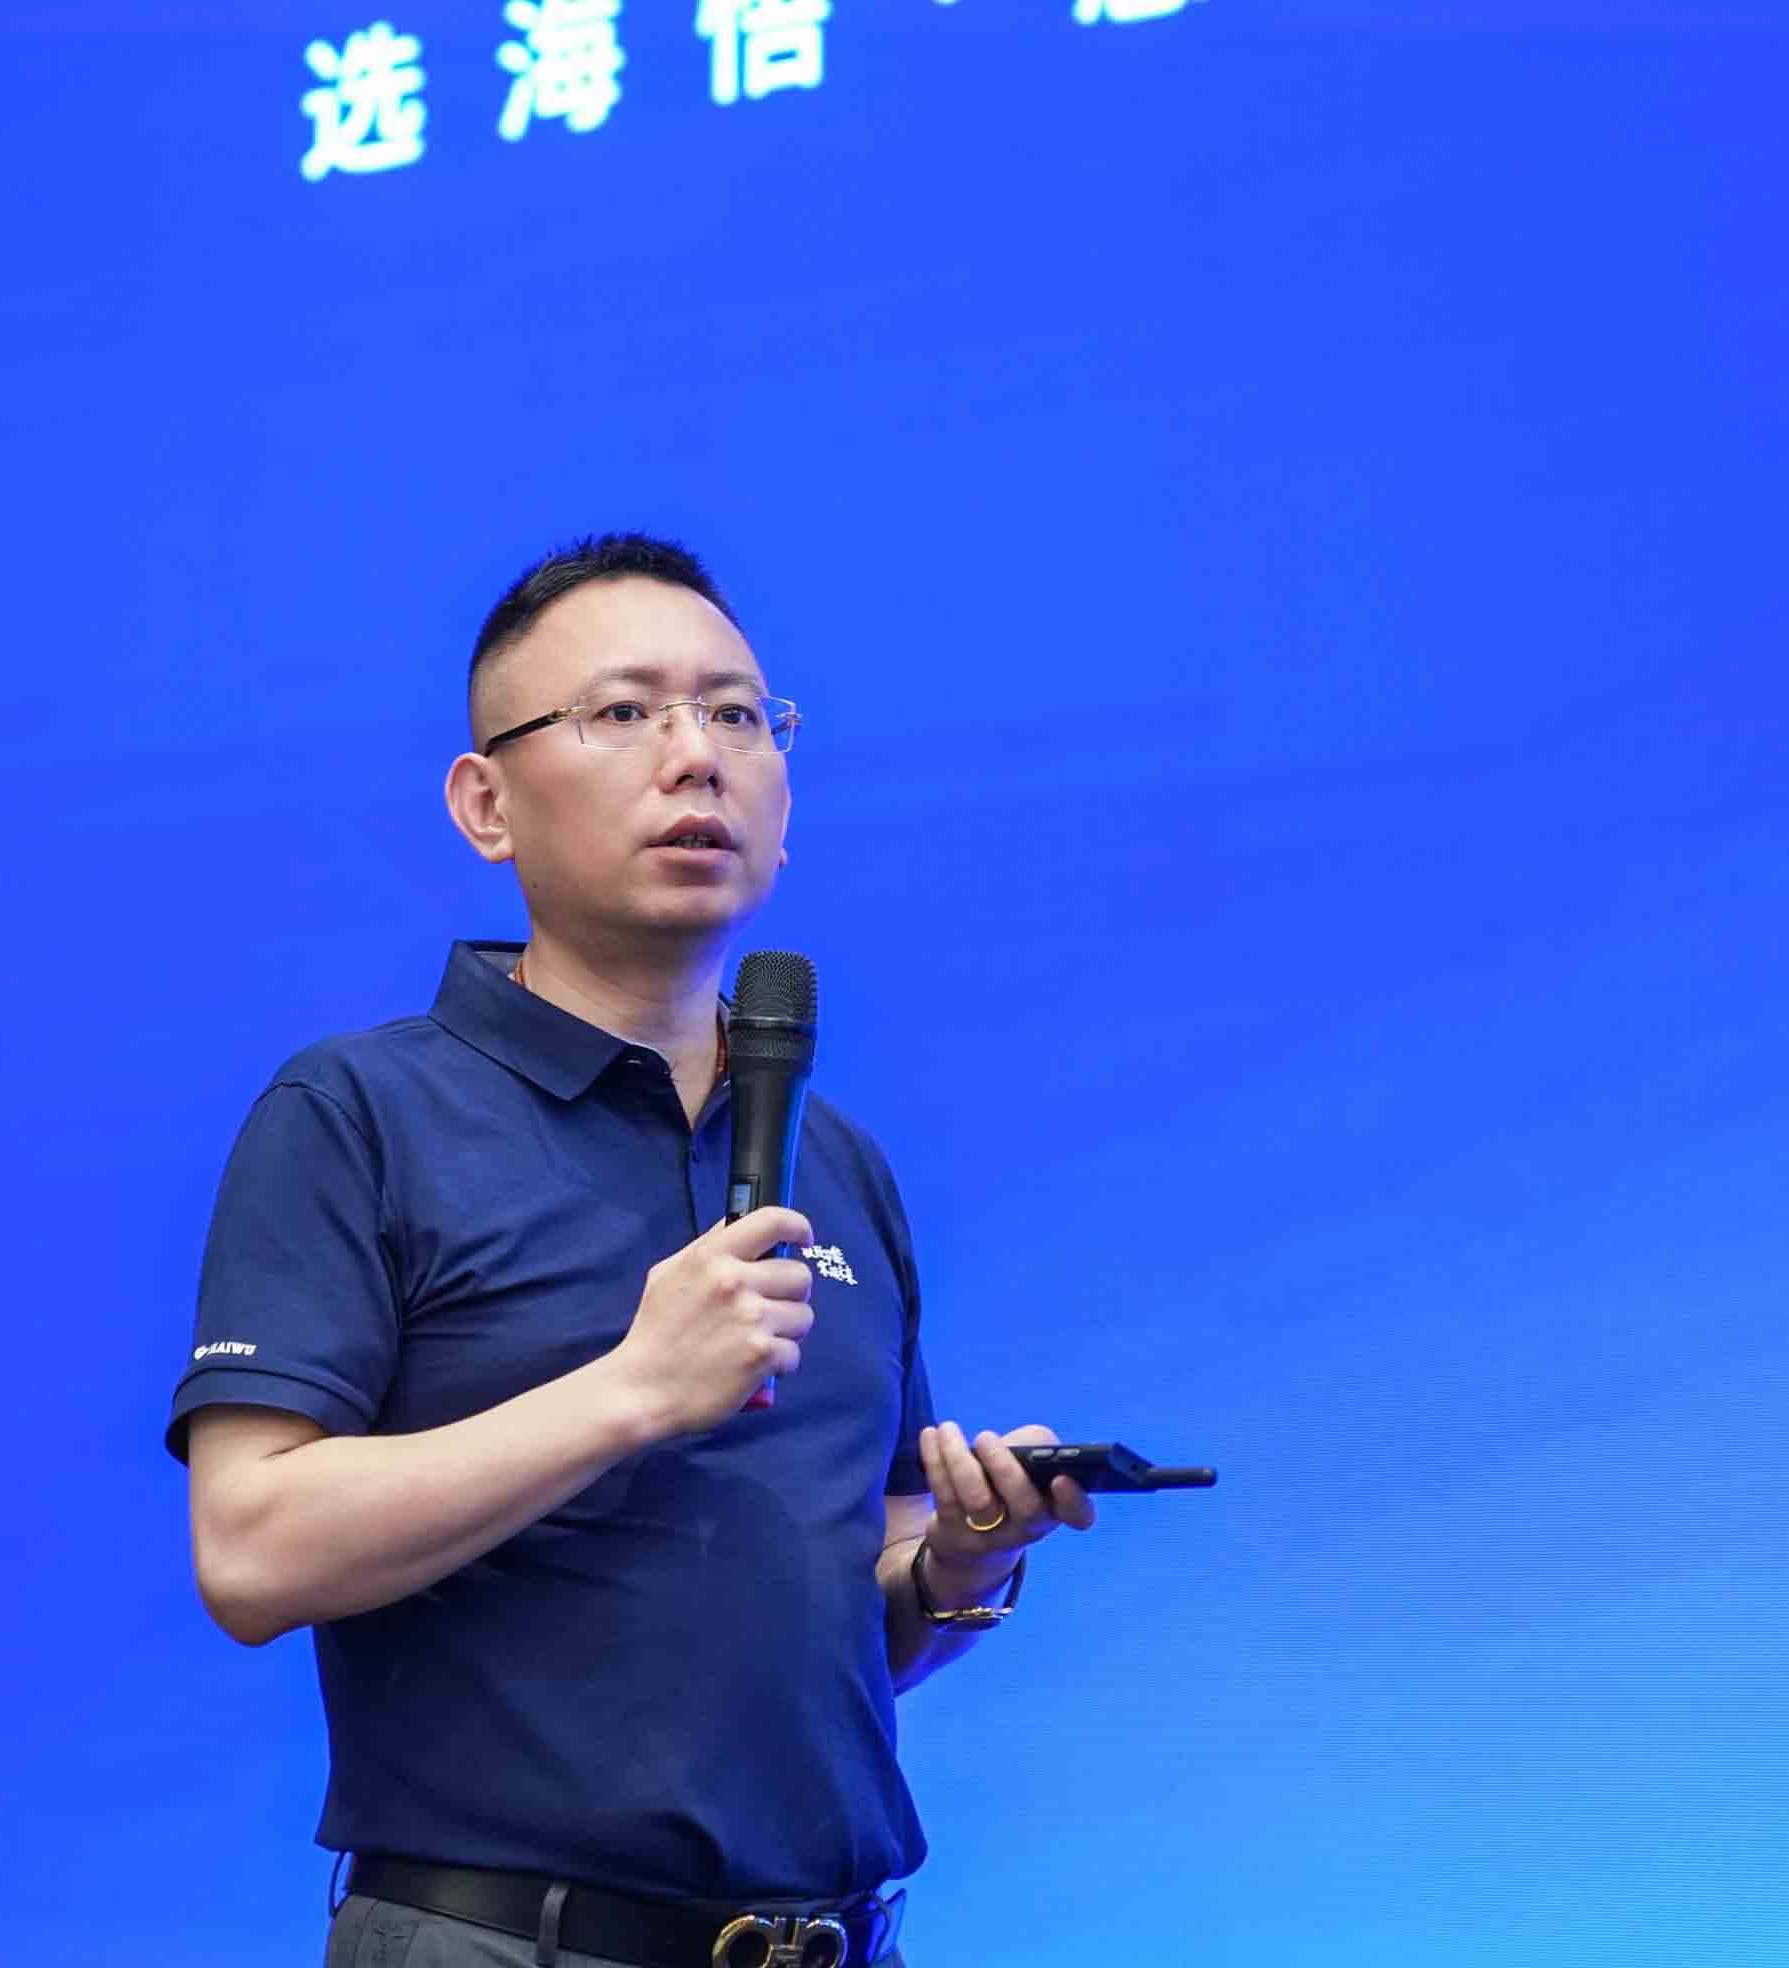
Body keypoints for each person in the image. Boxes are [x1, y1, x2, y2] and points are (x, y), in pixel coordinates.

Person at [170, 534, 1096, 1968]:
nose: (697, 756)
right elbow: (249, 1550)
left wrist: (961, 1566)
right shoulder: (361, 1114)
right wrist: (633, 1392)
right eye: (625, 712)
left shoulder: (838, 1160)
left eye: (738, 714)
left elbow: (857, 1622)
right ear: (486, 805)